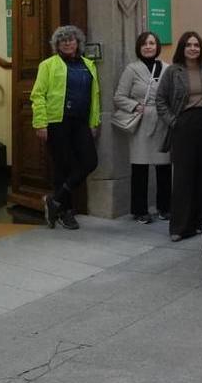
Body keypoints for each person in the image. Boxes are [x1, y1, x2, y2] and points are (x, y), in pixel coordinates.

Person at [31, 25, 99, 230]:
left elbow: (94, 96)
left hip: (80, 122)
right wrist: (40, 123)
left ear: (78, 42)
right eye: (63, 41)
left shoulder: (89, 64)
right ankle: (65, 212)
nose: (68, 43)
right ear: (57, 45)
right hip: (57, 122)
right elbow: (38, 95)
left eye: (71, 40)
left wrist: (94, 122)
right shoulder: (48, 65)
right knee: (64, 166)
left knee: (90, 161)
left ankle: (55, 200)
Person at [157, 31, 202, 241]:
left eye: (197, 45)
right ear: (182, 48)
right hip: (183, 124)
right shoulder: (173, 71)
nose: (193, 48)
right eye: (189, 45)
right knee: (183, 177)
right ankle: (180, 227)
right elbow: (160, 100)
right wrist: (174, 122)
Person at [113, 31, 172, 224]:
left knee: (164, 168)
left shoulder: (167, 68)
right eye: (145, 43)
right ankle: (139, 210)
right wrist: (136, 106)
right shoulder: (132, 69)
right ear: (139, 47)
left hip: (162, 122)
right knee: (140, 169)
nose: (148, 46)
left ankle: (165, 208)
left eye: (152, 43)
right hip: (141, 123)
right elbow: (119, 97)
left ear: (157, 46)